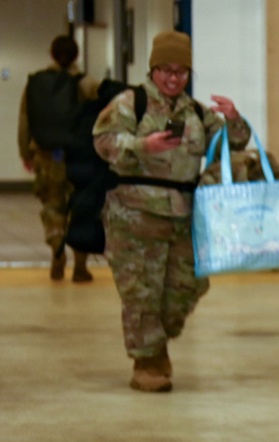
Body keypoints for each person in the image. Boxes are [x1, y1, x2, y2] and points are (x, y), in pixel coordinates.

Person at [93, 30, 250, 392]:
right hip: (134, 215)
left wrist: (234, 119)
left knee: (185, 287)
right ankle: (148, 362)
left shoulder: (193, 112)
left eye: (181, 71)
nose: (173, 78)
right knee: (141, 292)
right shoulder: (131, 103)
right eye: (166, 70)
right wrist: (141, 144)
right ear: (153, 69)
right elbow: (102, 141)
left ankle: (156, 343)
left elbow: (232, 145)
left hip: (183, 214)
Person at [17, 35, 100, 282]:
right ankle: (81, 267)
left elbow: (25, 121)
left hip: (46, 156)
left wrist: (26, 153)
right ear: (76, 56)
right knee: (81, 210)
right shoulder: (88, 84)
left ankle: (57, 250)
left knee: (52, 206)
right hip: (79, 159)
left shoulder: (35, 83)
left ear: (52, 54)